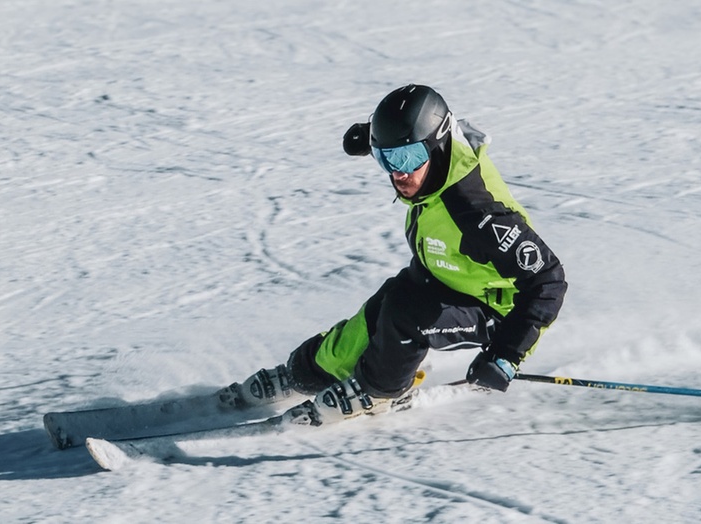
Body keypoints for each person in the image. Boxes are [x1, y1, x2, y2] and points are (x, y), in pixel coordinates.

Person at [220, 84, 567, 425]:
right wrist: (372, 138)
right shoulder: (435, 158)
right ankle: (305, 372)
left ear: (437, 146)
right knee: (376, 315)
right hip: (447, 275)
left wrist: (506, 355)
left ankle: (377, 391)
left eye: (409, 158)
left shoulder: (477, 213)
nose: (398, 172)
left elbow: (548, 281)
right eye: (387, 158)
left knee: (405, 315)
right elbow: (425, 125)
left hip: (499, 309)